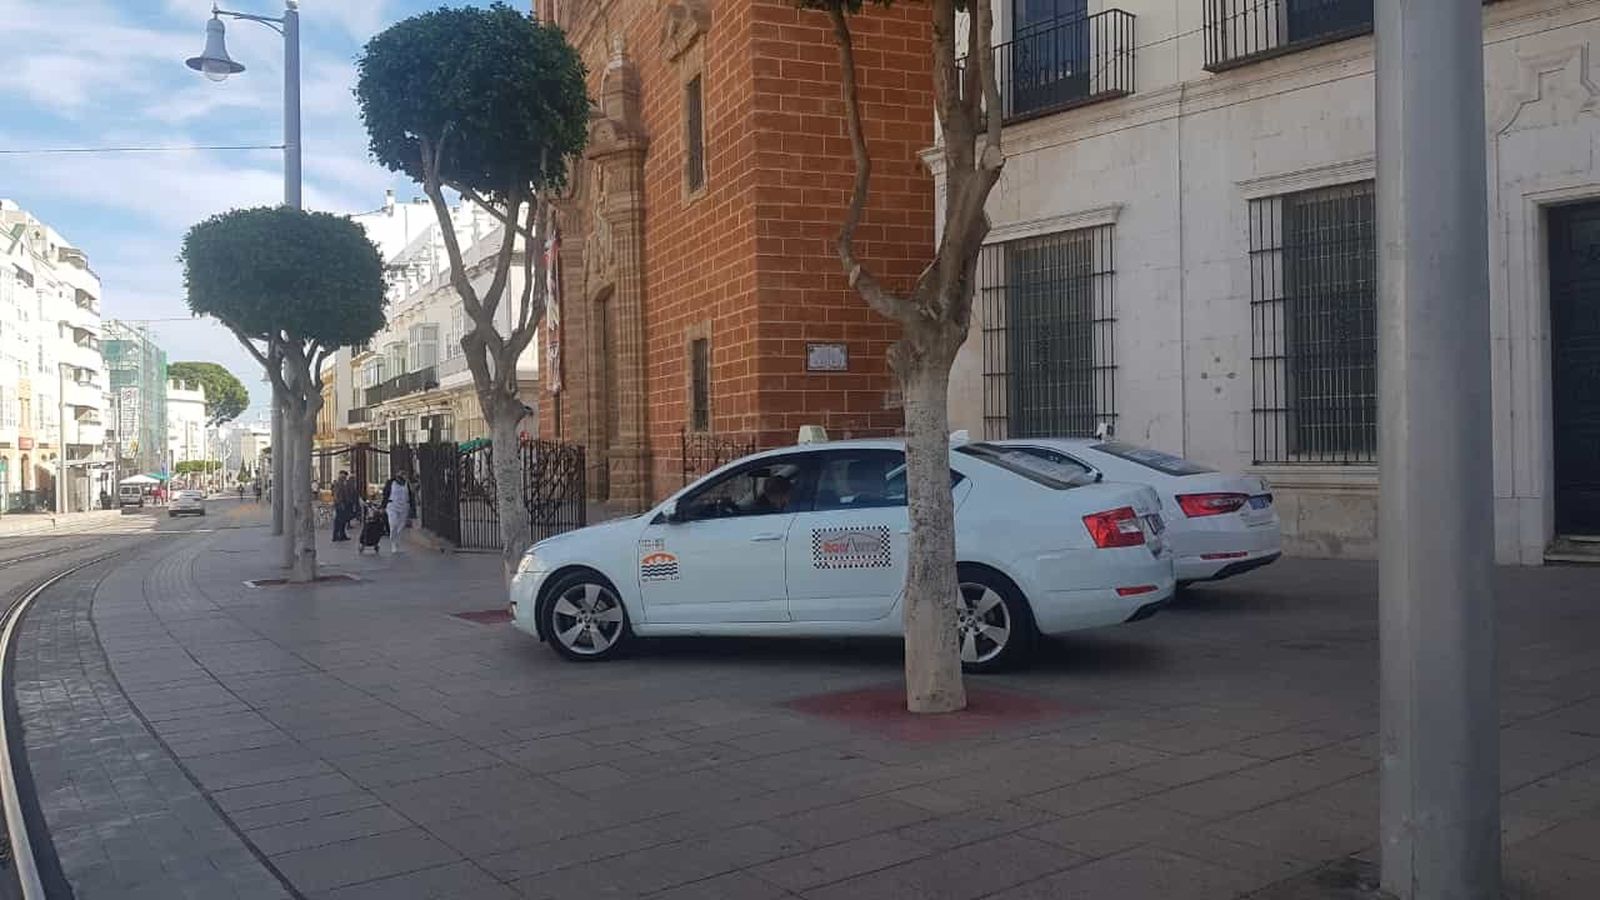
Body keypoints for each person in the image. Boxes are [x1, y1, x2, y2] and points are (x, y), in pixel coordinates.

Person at [381, 474, 411, 555]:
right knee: (393, 524)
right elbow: (385, 494)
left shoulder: (407, 483)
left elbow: (410, 495)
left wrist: (412, 508)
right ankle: (393, 542)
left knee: (401, 526)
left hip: (404, 506)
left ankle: (397, 540)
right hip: (392, 506)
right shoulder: (391, 483)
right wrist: (383, 506)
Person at [331, 471, 357, 542]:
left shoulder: (344, 483)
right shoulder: (338, 483)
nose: (344, 477)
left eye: (345, 476)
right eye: (343, 476)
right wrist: (340, 503)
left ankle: (342, 535)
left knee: (343, 520)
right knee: (339, 520)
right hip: (340, 504)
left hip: (345, 503)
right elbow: (337, 495)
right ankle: (336, 535)